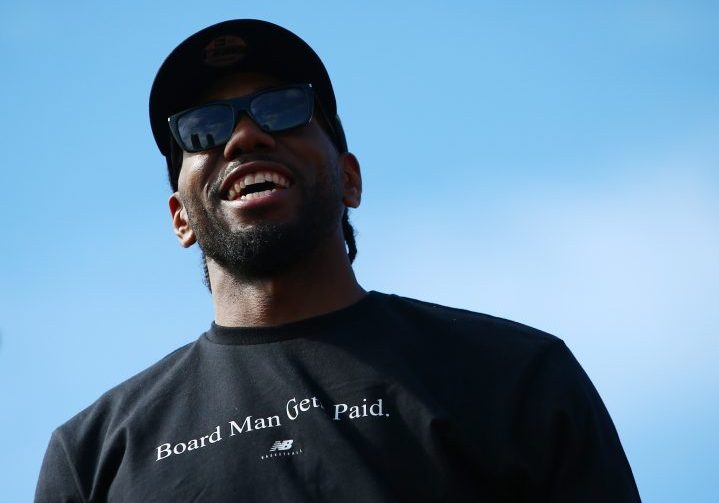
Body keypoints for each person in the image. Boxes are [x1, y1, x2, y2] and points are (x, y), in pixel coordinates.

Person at [35, 19, 642, 502]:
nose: (244, 137)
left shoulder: (516, 377)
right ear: (181, 218)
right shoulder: (93, 456)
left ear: (349, 180)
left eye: (281, 109)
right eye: (201, 129)